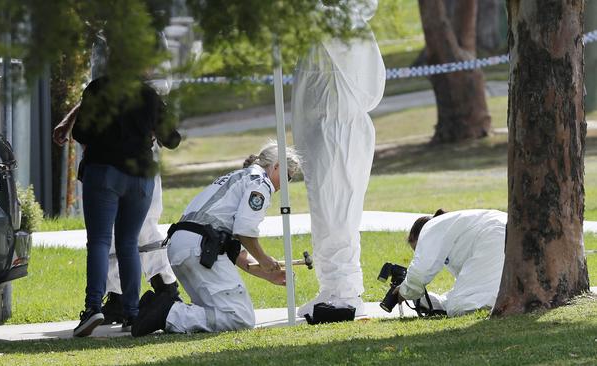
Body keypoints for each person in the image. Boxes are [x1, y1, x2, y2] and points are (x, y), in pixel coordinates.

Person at [131, 142, 301, 336]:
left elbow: (233, 249)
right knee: (240, 318)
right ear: (277, 166)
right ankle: (167, 311)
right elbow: (245, 230)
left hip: (184, 246)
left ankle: (156, 309)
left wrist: (267, 273)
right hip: (200, 249)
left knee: (217, 314)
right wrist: (263, 259)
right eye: (287, 177)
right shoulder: (260, 183)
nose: (286, 185)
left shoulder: (236, 177)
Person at [291, 0, 386, 321]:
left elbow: (322, 17)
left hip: (340, 132)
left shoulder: (348, 24)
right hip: (322, 129)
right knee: (323, 213)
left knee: (338, 213)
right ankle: (331, 288)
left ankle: (345, 292)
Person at [53, 96, 181, 330]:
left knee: (102, 241)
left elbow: (81, 133)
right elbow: (171, 139)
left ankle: (95, 307)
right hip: (139, 173)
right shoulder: (148, 95)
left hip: (104, 171)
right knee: (128, 242)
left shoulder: (99, 88)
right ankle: (130, 311)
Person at [397, 209, 507, 316]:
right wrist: (419, 298)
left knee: (458, 306)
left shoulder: (431, 229)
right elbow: (468, 286)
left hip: (493, 235)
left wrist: (405, 290)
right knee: (461, 299)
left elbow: (421, 271)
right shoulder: (451, 229)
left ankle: (505, 303)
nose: (421, 253)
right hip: (507, 229)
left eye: (419, 249)